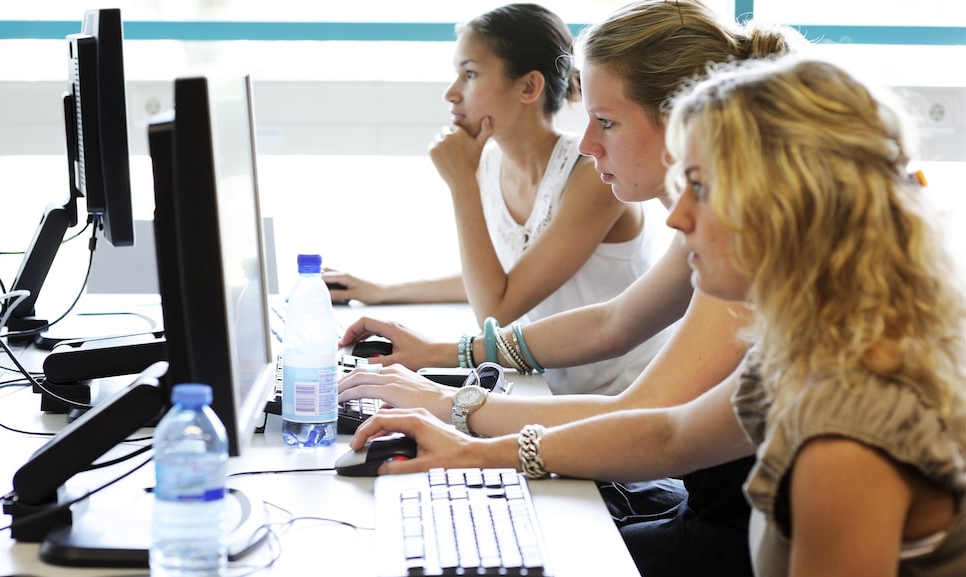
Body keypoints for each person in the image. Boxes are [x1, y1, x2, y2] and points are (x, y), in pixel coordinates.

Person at [347, 55, 966, 575]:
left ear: (785, 207)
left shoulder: (848, 433)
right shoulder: (815, 344)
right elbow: (670, 435)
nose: (676, 216)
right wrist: (469, 450)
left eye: (700, 185)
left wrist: (462, 415)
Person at [340, 2, 801, 576]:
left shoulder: (744, 241)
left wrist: (458, 413)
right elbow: (613, 322)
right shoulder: (720, 222)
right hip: (709, 503)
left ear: (687, 121)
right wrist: (451, 359)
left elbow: (656, 425)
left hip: (735, 537)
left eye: (606, 122)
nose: (586, 143)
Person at [327, 3, 674, 396]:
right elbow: (508, 276)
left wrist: (462, 186)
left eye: (470, 74)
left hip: (622, 393)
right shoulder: (491, 161)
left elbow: (497, 308)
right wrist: (382, 291)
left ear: (528, 87)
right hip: (551, 385)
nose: (451, 93)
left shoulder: (594, 173)